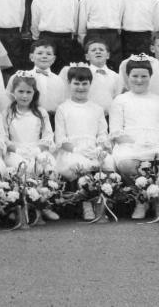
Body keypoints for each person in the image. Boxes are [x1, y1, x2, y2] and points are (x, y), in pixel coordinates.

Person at [108, 55, 159, 219]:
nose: (139, 80)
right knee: (125, 164)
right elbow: (116, 131)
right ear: (128, 77)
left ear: (150, 77)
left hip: (158, 142)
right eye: (135, 76)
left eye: (144, 76)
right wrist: (137, 143)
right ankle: (142, 200)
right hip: (130, 144)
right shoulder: (120, 100)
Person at [53, 65, 112, 220]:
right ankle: (86, 204)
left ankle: (101, 202)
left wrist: (98, 149)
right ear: (69, 84)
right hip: (71, 151)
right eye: (76, 83)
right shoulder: (63, 108)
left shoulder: (97, 108)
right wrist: (78, 150)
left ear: (90, 85)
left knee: (109, 162)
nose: (80, 87)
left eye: (84, 83)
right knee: (81, 164)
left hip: (93, 149)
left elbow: (102, 134)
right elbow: (60, 138)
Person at [30, 0, 80, 73]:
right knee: (46, 71)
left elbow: (76, 20)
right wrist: (38, 40)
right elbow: (35, 23)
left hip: (67, 40)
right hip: (46, 39)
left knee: (65, 72)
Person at [3, 72, 56, 179]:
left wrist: (37, 150)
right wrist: (17, 150)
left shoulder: (41, 112)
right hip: (15, 152)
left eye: (29, 92)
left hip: (37, 150)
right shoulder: (8, 112)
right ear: (13, 92)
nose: (24, 96)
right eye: (21, 91)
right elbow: (3, 137)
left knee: (46, 164)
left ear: (34, 93)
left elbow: (48, 136)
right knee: (20, 166)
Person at [117, 30, 159, 108]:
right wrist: (140, 58)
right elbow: (124, 65)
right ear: (152, 48)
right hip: (150, 108)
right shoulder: (147, 67)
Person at [78, 0, 122, 69]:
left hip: (113, 37)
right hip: (94, 35)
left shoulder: (119, 0)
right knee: (93, 68)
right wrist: (85, 42)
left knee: (114, 67)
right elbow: (81, 27)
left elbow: (120, 22)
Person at [61, 39, 122, 115]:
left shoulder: (115, 76)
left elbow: (116, 97)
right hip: (85, 114)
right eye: (93, 50)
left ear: (108, 55)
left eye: (101, 50)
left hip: (108, 115)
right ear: (87, 57)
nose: (98, 52)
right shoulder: (81, 73)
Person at [20, 39, 66, 119]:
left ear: (53, 59)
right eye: (39, 53)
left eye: (48, 54)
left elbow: (62, 102)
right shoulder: (25, 76)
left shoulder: (58, 80)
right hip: (29, 116)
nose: (44, 56)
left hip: (52, 118)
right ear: (31, 57)